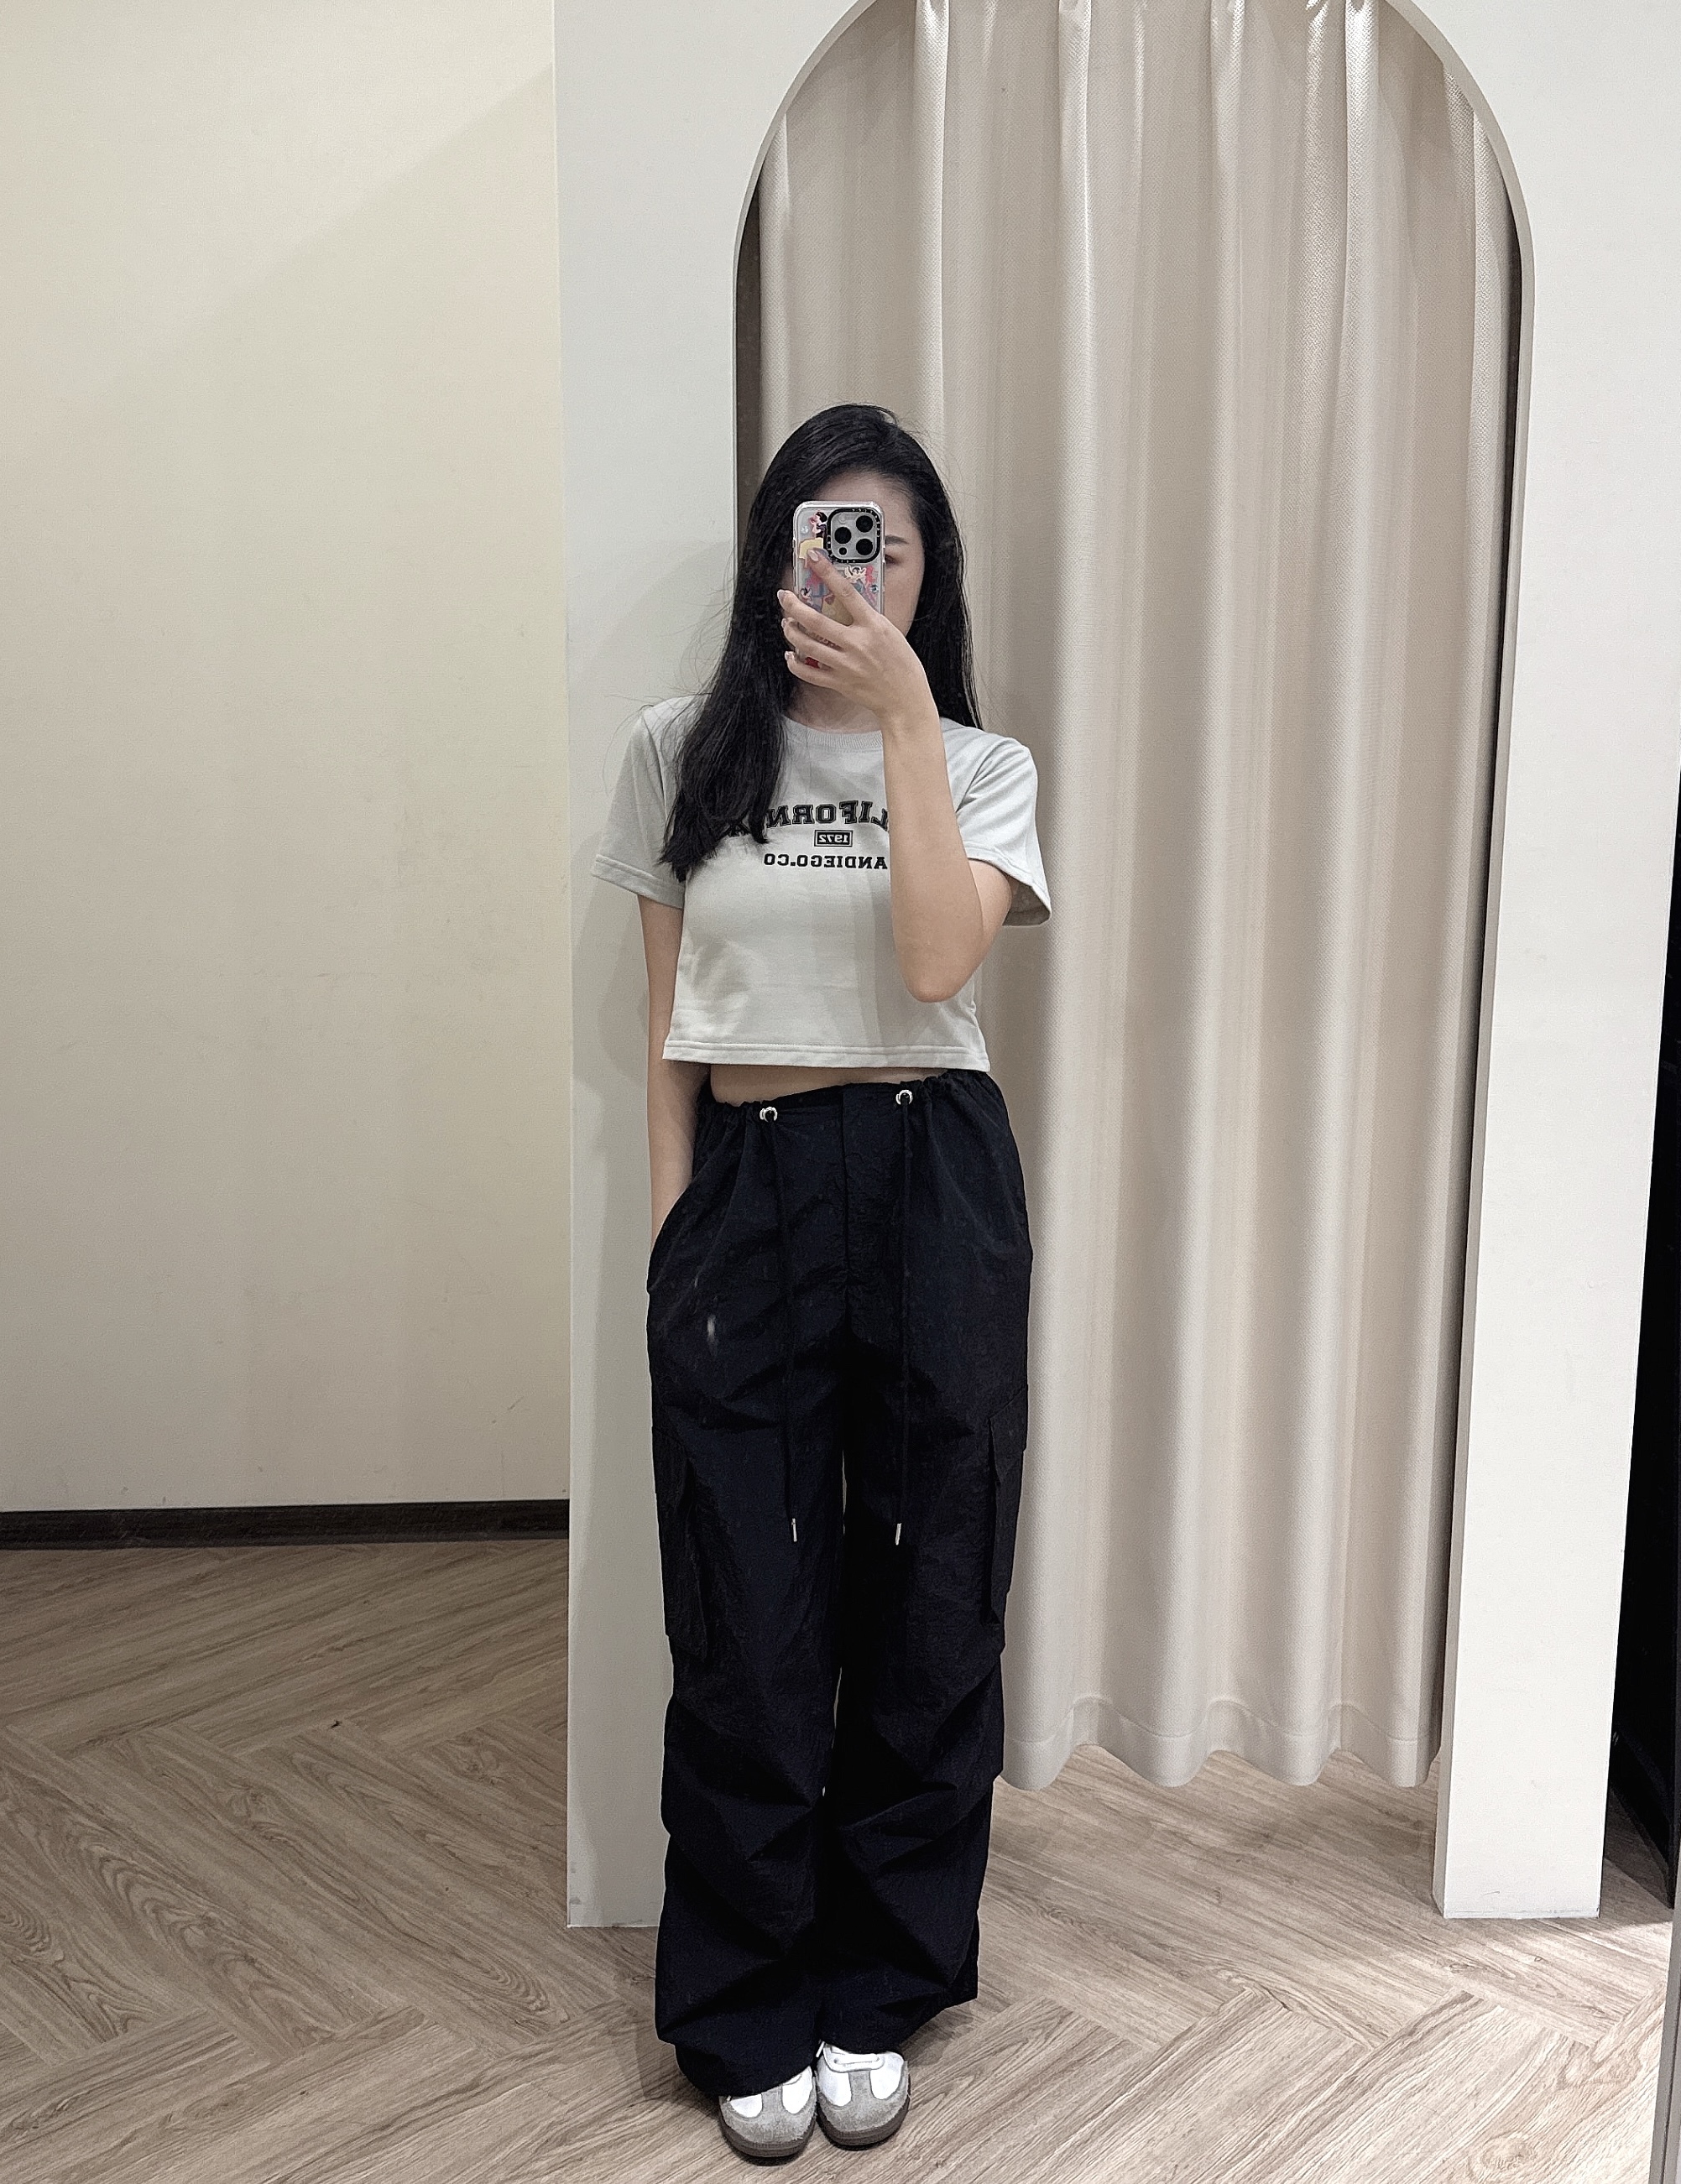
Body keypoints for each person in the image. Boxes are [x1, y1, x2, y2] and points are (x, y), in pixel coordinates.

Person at [593, 404, 1051, 2161]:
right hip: (750, 1184)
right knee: (743, 1606)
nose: (854, 573)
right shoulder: (679, 754)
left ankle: (882, 1979)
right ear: (774, 557)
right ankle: (742, 1995)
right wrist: (672, 1233)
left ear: (929, 576)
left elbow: (937, 960)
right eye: (824, 537)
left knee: (933, 1586)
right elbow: (664, 1024)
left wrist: (907, 720)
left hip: (933, 1175)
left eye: (888, 547)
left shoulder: (984, 765)